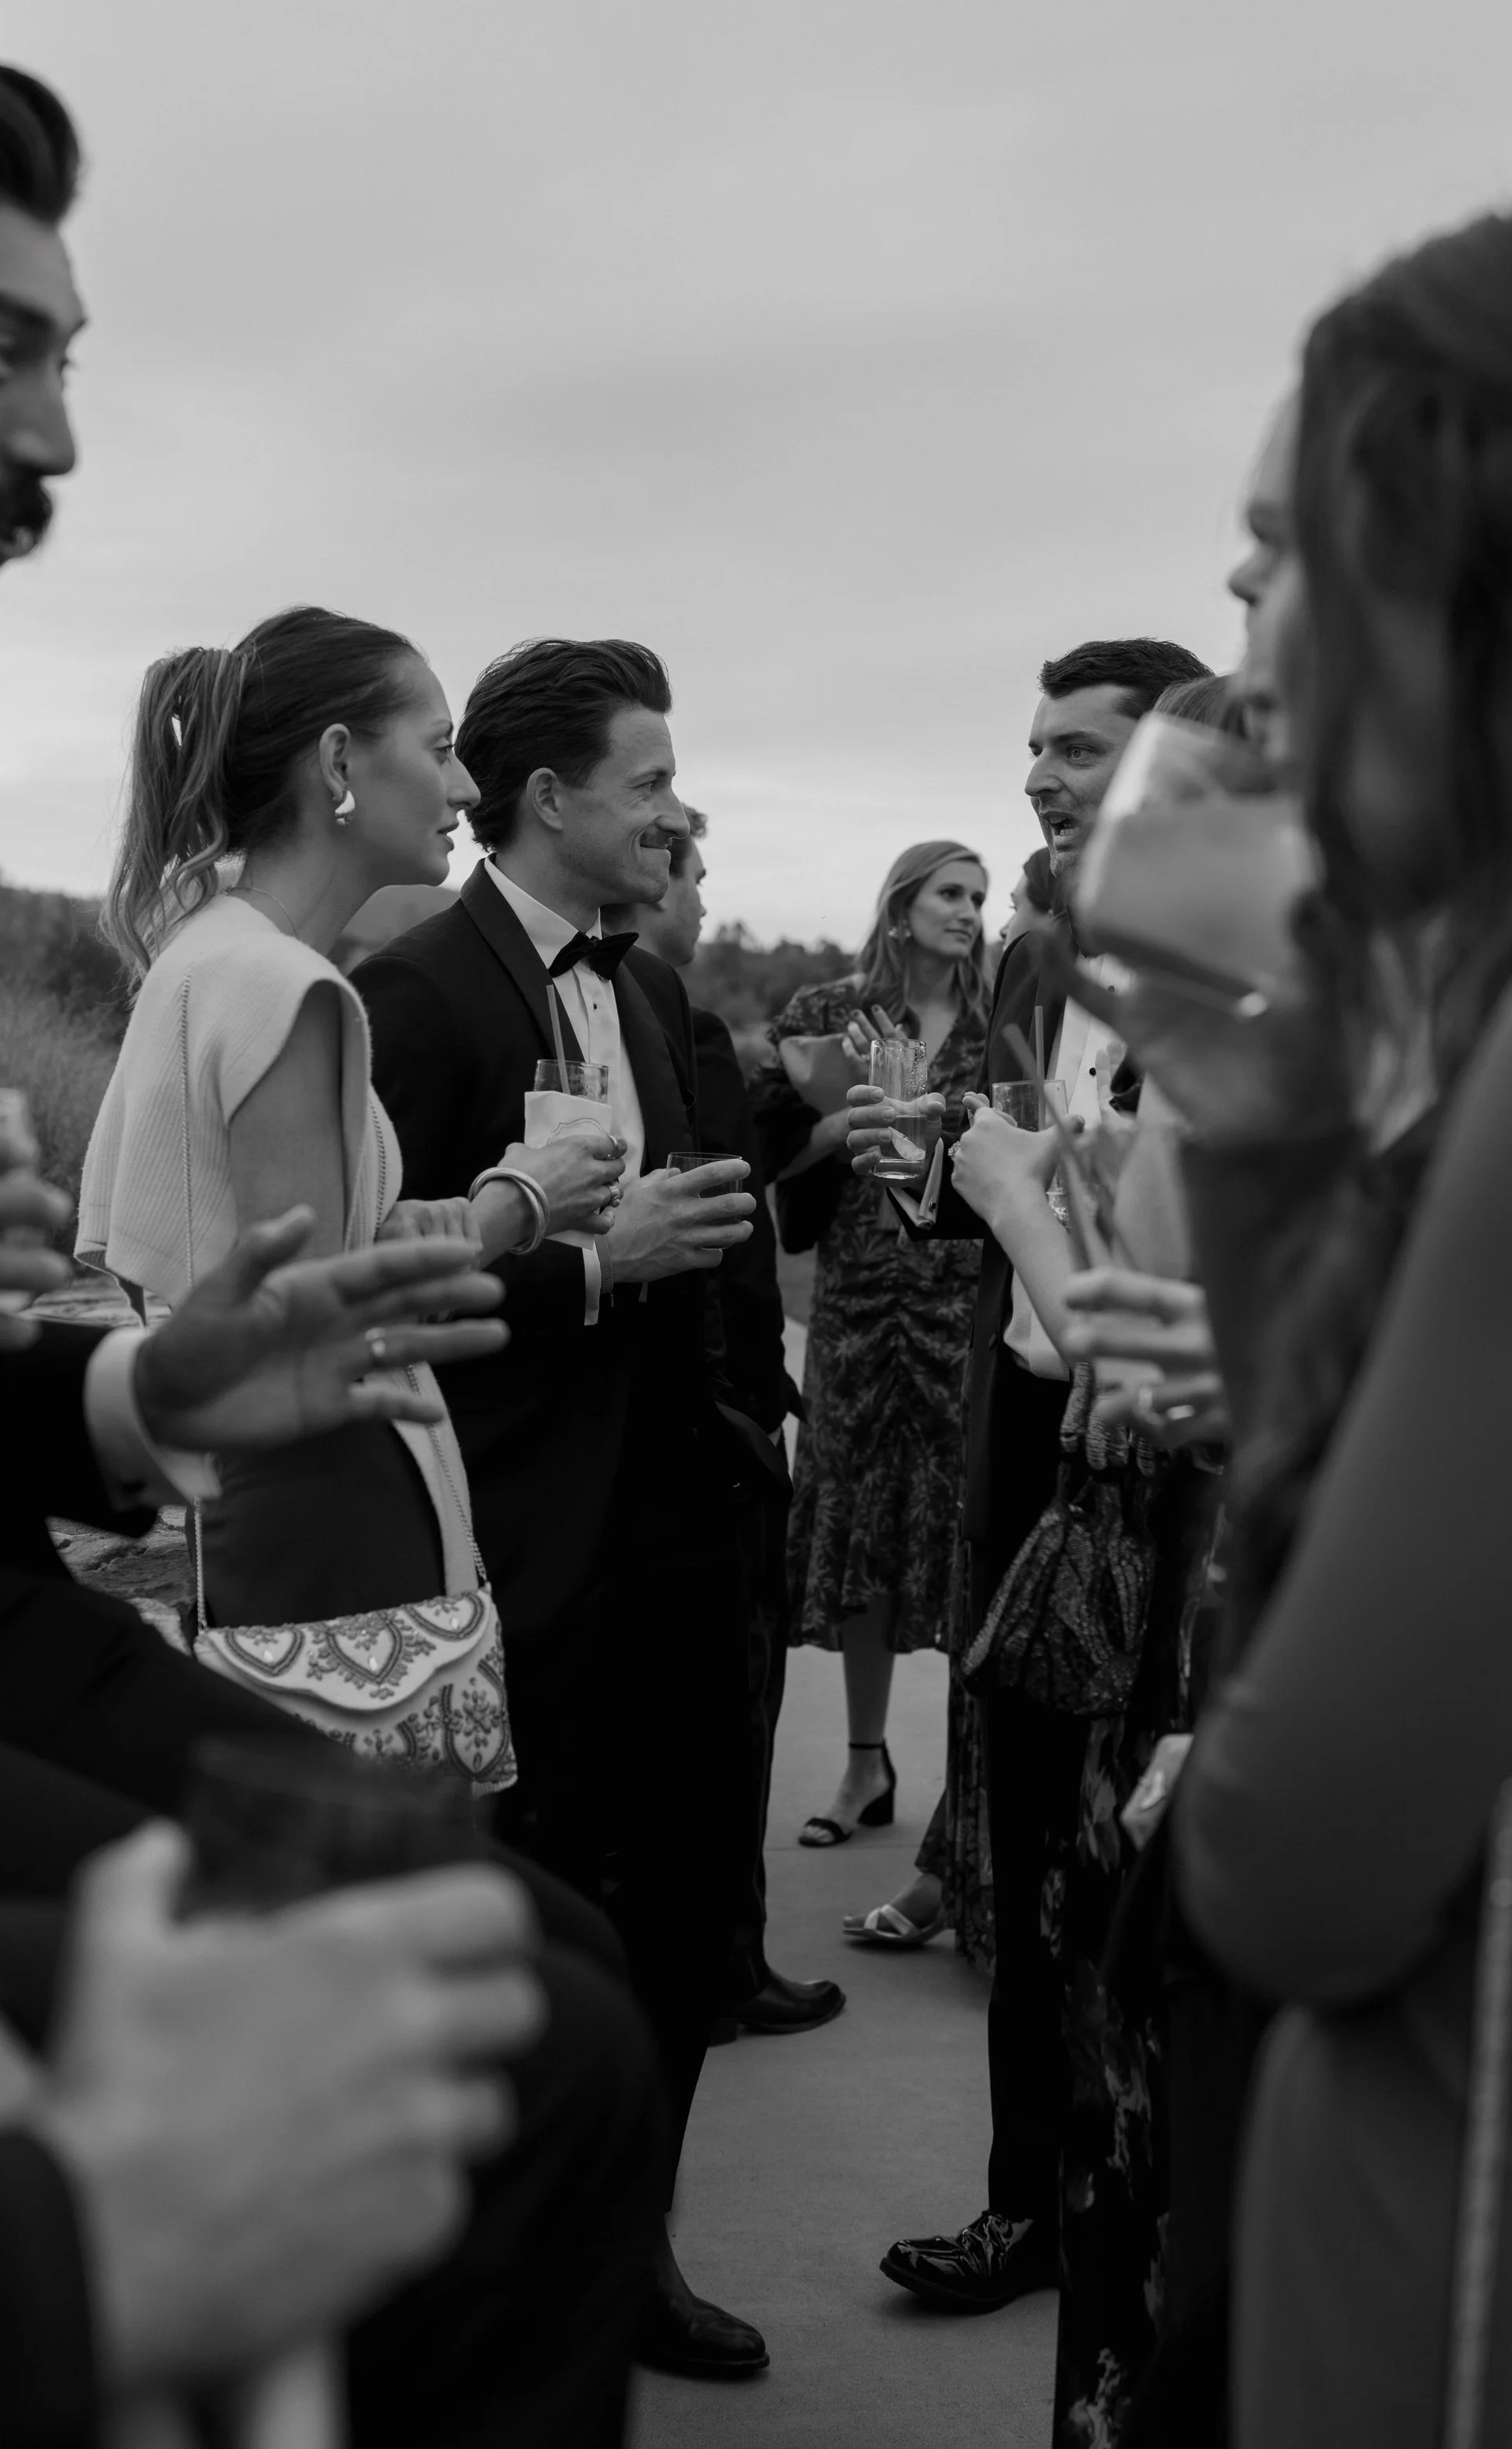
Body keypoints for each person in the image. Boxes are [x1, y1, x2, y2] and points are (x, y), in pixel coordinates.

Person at [0, 0, 665, 2443]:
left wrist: (148, 1388)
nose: (58, 437)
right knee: (518, 2051)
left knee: (535, 1971)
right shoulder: (266, 981)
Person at [1115, 166, 1512, 2449]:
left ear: (1497, 565)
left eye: (1289, 557)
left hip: (1498, 2295)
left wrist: (1258, 1147)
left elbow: (1286, 1866)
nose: (1249, 668)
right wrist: (1267, 1123)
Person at [356, 637, 772, 2380]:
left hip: (682, 1524)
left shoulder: (654, 993)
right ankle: (484, 2280)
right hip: (516, 1535)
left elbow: (695, 1241)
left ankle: (631, 2247)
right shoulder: (409, 996)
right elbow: (379, 1286)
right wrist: (598, 1264)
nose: (674, 812)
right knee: (524, 1917)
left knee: (681, 1911)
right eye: (649, 781)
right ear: (546, 798)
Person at [851, 636, 1207, 2316]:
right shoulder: (1028, 957)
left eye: (1075, 747)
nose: (1038, 776)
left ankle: (1148, 2206)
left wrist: (1020, 1194)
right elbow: (1010, 1169)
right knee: (1018, 1825)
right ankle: (1025, 2206)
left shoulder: (1227, 985)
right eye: (1035, 746)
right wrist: (932, 1176)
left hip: (1170, 1465)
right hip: (1027, 1438)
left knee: (1134, 1849)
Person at [80, 605, 624, 1643]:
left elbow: (303, 1255)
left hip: (262, 1500)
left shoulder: (204, 953)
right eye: (439, 747)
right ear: (338, 761)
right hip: (335, 1505)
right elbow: (315, 1320)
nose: (467, 788)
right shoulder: (286, 988)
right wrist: (522, 1201)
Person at [603, 807, 844, 2040]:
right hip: (717, 1422)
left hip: (679, 1419)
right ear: (660, 884)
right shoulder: (680, 1023)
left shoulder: (622, 1007)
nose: (701, 901)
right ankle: (729, 1958)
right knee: (734, 1708)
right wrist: (754, 1406)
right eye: (697, 877)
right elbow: (735, 1244)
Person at [751, 841, 992, 1851]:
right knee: (863, 1535)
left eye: (979, 896)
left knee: (965, 1538)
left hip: (962, 1307)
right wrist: (839, 1115)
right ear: (900, 908)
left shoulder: (1000, 1022)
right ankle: (863, 1763)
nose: (968, 910)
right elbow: (768, 1155)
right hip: (856, 1301)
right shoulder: (825, 1012)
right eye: (950, 893)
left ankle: (964, 1790)